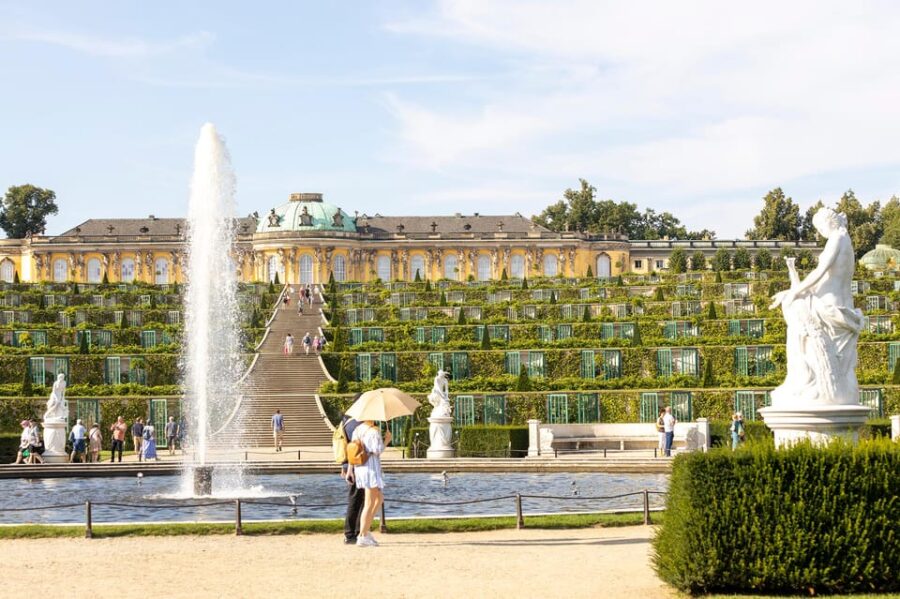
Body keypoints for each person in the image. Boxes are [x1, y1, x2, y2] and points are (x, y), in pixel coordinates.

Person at [349, 420, 391, 547]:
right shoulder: (373, 431)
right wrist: (387, 440)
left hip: (361, 468)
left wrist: (350, 469)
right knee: (369, 502)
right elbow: (377, 450)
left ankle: (365, 531)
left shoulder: (357, 430)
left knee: (379, 498)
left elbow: (352, 450)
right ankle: (362, 535)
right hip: (371, 469)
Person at [340, 407, 365, 545]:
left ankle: (355, 532)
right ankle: (352, 533)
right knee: (358, 500)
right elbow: (355, 448)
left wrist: (344, 466)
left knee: (357, 499)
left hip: (352, 465)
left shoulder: (347, 422)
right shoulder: (358, 424)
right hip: (359, 465)